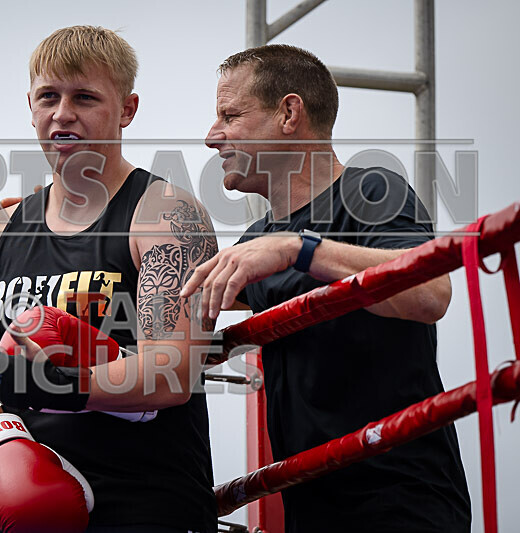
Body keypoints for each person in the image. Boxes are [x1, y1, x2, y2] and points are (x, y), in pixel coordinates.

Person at [180, 45, 471, 532]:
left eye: (230, 115)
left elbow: (430, 292)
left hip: (402, 499)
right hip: (311, 505)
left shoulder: (371, 191)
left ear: (289, 113)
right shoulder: (258, 241)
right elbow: (173, 303)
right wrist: (50, 229)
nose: (213, 136)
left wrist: (300, 249)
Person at [0, 26, 219, 533]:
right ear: (30, 106)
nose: (63, 113)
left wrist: (57, 386)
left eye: (84, 97)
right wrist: (2, 450)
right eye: (49, 96)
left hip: (148, 499)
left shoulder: (164, 215)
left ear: (127, 110)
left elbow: (174, 367)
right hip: (32, 492)